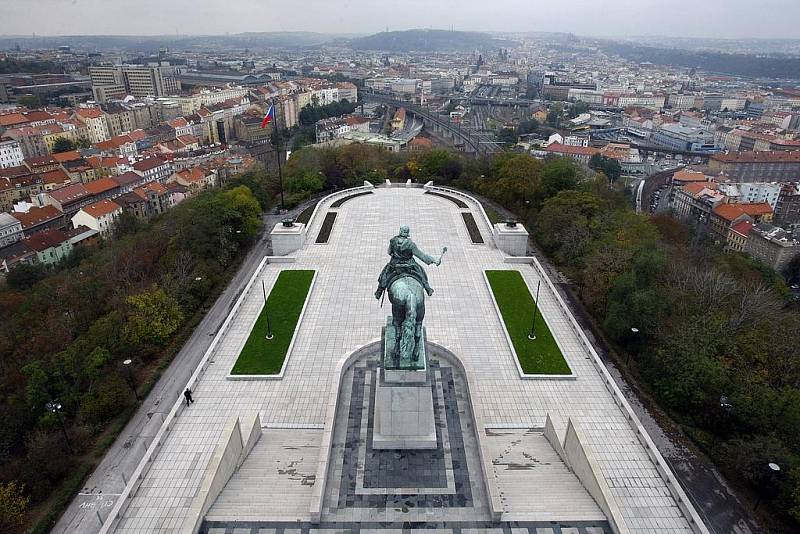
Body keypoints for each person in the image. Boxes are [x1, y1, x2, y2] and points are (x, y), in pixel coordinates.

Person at [375, 225, 441, 299]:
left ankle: (379, 291)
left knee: (384, 274)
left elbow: (389, 252)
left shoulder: (393, 241)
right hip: (409, 265)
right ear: (407, 233)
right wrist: (434, 260)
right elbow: (422, 256)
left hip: (395, 265)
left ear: (400, 231)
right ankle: (428, 289)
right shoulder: (411, 244)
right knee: (421, 272)